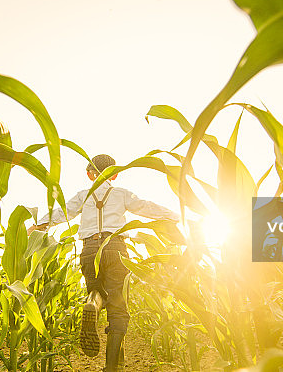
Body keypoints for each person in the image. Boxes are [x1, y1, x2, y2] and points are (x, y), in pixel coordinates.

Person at [28, 154, 179, 371]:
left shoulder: (83, 196)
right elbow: (145, 207)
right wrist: (174, 216)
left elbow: (63, 212)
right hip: (115, 249)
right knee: (118, 307)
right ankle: (111, 367)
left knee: (96, 291)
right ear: (114, 175)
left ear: (90, 174)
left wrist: (39, 224)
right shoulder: (122, 194)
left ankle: (93, 303)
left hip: (90, 250)